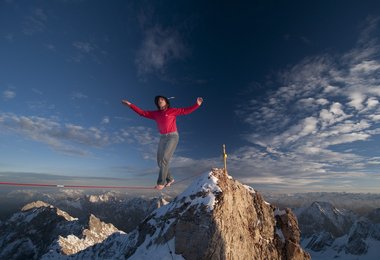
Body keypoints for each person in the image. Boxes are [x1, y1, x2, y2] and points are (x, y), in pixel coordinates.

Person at [122, 96, 203, 190]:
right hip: (163, 138)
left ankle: (161, 182)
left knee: (165, 159)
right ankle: (170, 179)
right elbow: (142, 113)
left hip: (173, 136)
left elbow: (185, 111)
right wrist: (130, 105)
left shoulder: (172, 110)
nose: (160, 101)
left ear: (166, 102)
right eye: (158, 100)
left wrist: (197, 105)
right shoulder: (155, 113)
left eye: (162, 99)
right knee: (159, 161)